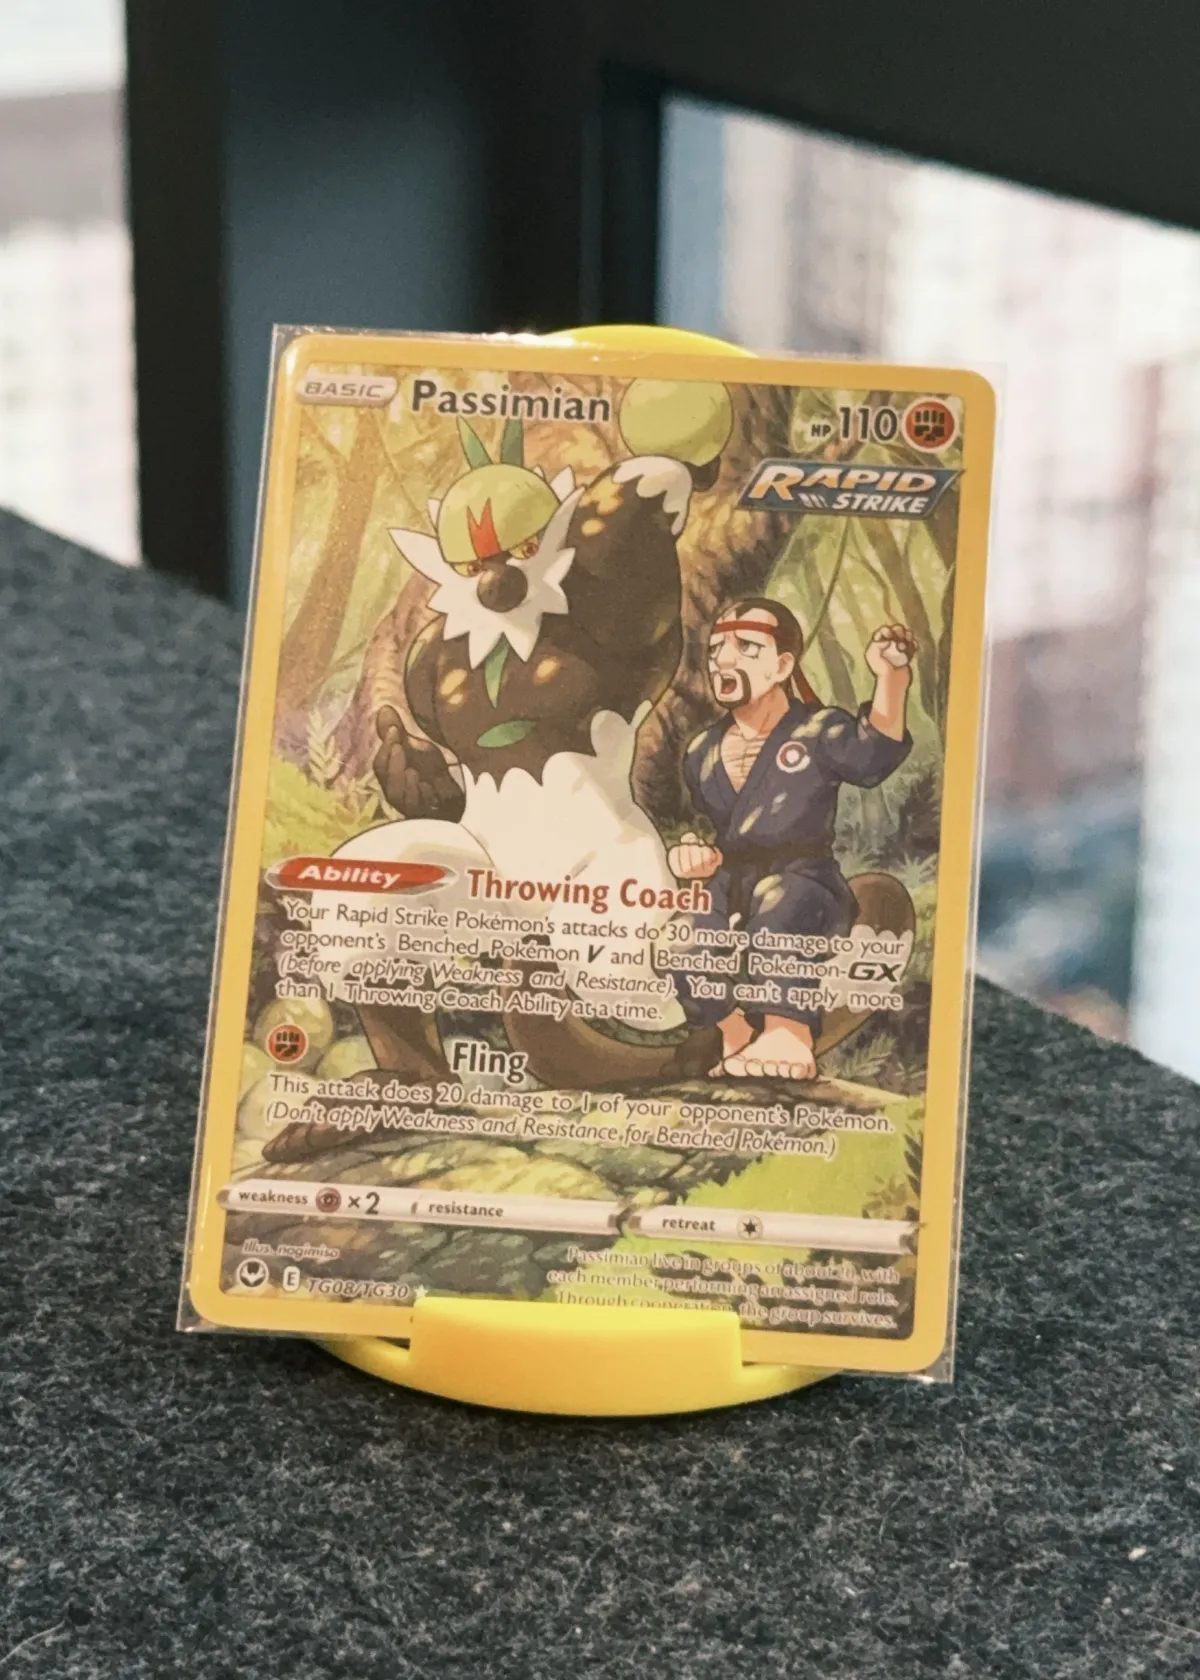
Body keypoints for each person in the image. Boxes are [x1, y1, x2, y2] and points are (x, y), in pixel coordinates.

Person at [668, 597, 916, 1080]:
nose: (723, 659)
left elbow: (875, 756)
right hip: (730, 879)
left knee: (780, 904)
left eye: (746, 647)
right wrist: (694, 859)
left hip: (805, 879)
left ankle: (789, 1034)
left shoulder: (819, 729)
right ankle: (735, 1033)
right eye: (716, 648)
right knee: (683, 931)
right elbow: (720, 831)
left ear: (782, 665)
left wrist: (891, 678)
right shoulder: (702, 752)